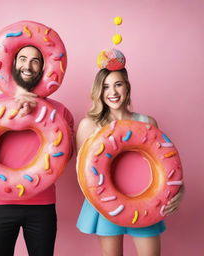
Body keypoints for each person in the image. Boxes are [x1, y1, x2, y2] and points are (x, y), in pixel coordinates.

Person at [76, 49, 183, 256]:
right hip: (107, 202)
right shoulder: (89, 126)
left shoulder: (147, 123)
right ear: (99, 91)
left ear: (127, 87)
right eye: (106, 87)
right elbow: (82, 174)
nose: (112, 92)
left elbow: (165, 165)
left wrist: (180, 190)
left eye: (118, 84)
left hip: (145, 202)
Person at [0, 45, 74, 256]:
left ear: (43, 67)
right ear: (13, 63)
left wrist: (38, 111)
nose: (28, 65)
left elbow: (67, 155)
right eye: (23, 59)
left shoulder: (60, 112)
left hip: (41, 205)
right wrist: (13, 110)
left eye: (35, 60)